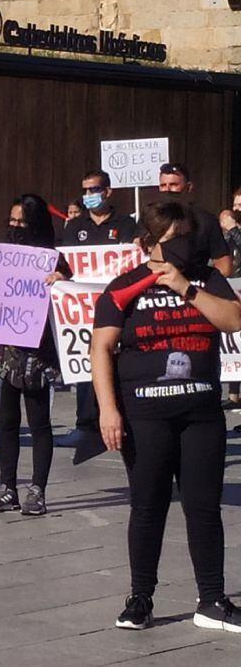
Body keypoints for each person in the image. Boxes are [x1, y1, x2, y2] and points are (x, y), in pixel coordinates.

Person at [92, 200, 241, 632]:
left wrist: (187, 288)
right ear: (149, 242)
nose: (183, 248)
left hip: (201, 413)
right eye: (173, 240)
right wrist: (107, 409)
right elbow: (100, 348)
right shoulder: (125, 286)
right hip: (145, 415)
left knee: (203, 506)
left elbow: (232, 320)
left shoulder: (205, 278)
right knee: (148, 506)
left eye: (187, 240)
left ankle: (212, 599)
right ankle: (141, 598)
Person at [0, 195, 69, 517]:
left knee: (39, 424)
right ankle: (7, 488)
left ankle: (38, 489)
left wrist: (61, 283)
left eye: (22, 222)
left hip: (38, 356)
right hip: (3, 354)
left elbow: (72, 300)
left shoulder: (53, 260)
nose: (15, 227)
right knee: (6, 422)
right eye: (12, 221)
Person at [56, 170, 139, 449]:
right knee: (83, 362)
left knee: (119, 363)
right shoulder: (73, 226)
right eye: (85, 190)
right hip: (84, 307)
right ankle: (85, 424)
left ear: (107, 191)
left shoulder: (127, 225)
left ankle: (123, 419)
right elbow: (65, 264)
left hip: (118, 303)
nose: (89, 195)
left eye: (94, 189)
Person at [158, 163, 231, 276]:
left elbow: (224, 266)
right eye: (163, 185)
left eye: (173, 184)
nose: (167, 190)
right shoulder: (148, 218)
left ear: (189, 187)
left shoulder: (206, 220)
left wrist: (202, 284)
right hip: (154, 287)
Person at [218, 188, 241, 410]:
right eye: (235, 205)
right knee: (235, 342)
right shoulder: (229, 232)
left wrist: (234, 230)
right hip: (233, 286)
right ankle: (234, 394)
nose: (237, 210)